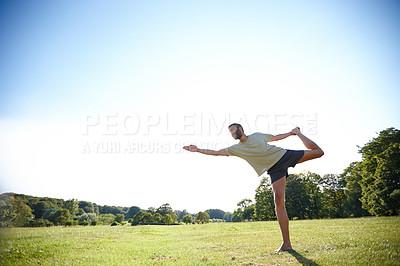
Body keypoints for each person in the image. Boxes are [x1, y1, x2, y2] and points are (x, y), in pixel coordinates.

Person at [183, 123, 324, 252]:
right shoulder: (237, 149)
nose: (232, 133)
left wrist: (292, 133)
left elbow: (275, 138)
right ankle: (286, 244)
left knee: (318, 152)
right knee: (279, 202)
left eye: (233, 130)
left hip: (283, 156)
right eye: (230, 132)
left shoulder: (257, 136)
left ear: (240, 129)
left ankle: (299, 133)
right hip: (274, 170)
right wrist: (198, 150)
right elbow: (217, 152)